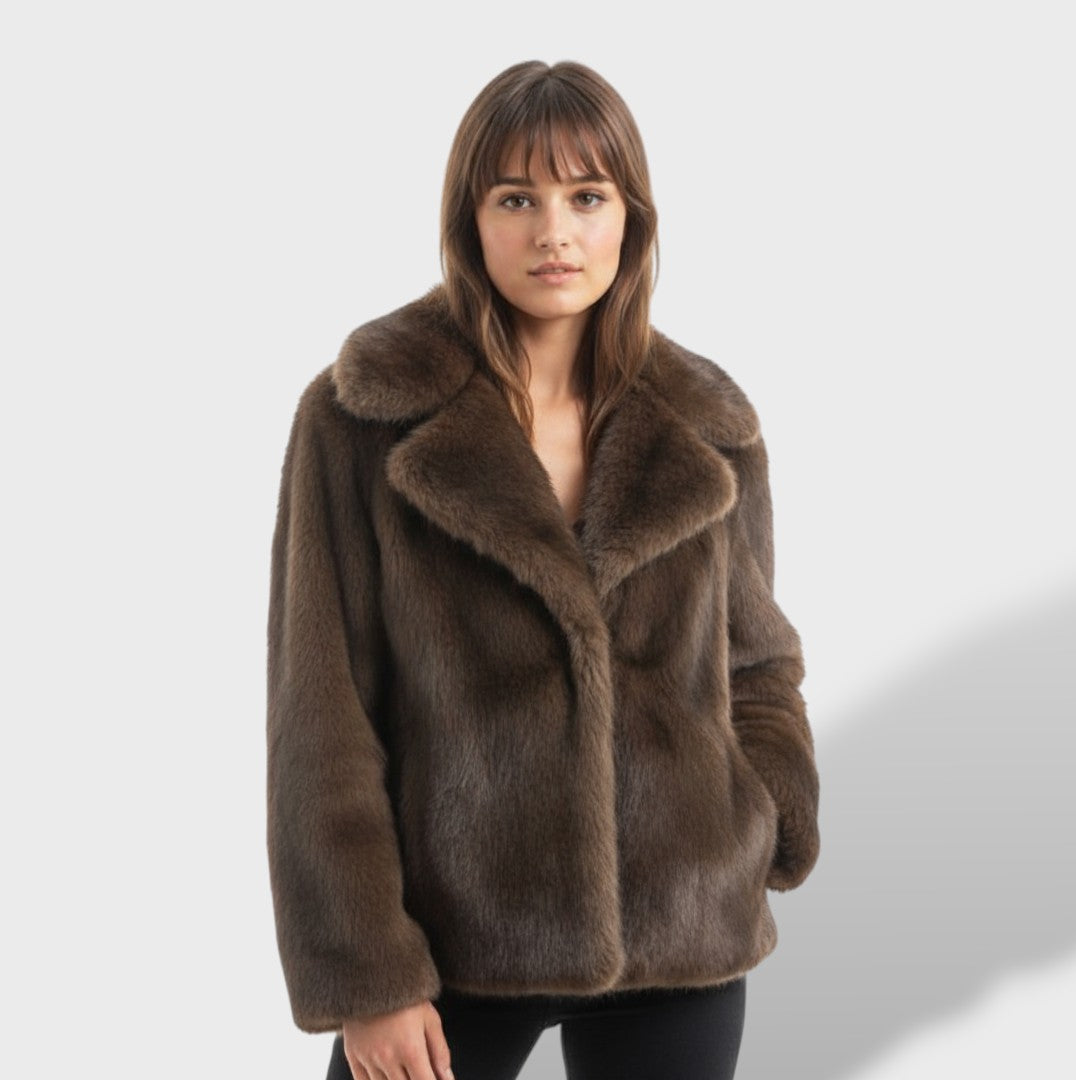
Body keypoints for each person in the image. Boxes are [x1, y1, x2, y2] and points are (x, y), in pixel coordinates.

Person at [266, 59, 821, 1080]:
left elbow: (755, 664)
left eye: (588, 196)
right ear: (470, 220)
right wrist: (369, 973)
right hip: (453, 945)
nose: (553, 232)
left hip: (682, 932)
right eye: (516, 198)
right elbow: (322, 717)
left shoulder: (707, 425)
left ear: (631, 219)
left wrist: (767, 820)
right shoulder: (361, 418)